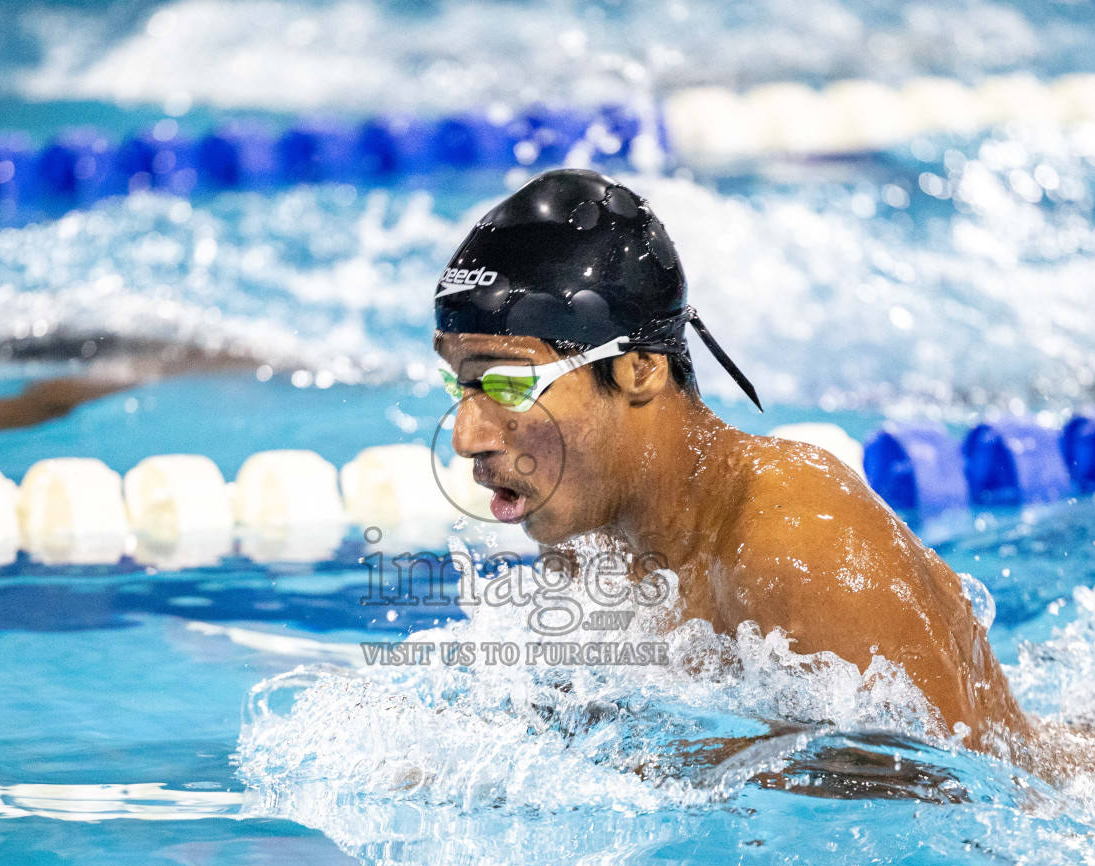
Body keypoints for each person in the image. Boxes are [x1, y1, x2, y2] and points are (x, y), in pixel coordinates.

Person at [433, 167, 1036, 761]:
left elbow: (946, 795)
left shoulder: (799, 539)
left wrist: (669, 767)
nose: (466, 437)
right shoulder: (590, 540)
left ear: (640, 368)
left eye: (508, 383)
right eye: (459, 385)